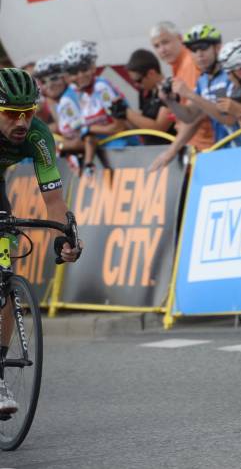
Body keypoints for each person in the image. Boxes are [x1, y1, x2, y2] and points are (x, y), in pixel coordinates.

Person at [0, 68, 82, 413]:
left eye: (28, 112)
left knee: (2, 272)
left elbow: (53, 201)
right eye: (11, 114)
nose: (21, 121)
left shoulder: (37, 136)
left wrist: (65, 235)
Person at [59, 40, 131, 173]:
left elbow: (120, 127)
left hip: (124, 149)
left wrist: (88, 129)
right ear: (67, 75)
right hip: (101, 157)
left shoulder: (101, 87)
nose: (80, 75)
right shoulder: (72, 97)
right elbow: (78, 138)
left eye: (84, 68)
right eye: (74, 71)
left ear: (92, 67)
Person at [149, 21, 212, 151]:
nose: (162, 50)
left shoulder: (189, 63)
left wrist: (172, 150)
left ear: (180, 39)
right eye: (157, 46)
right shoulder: (179, 65)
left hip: (205, 144)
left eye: (165, 42)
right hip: (198, 143)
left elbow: (196, 114)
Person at [121, 49, 176, 144]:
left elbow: (160, 128)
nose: (136, 85)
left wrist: (126, 112)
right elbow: (142, 125)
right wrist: (122, 116)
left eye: (138, 80)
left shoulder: (169, 89)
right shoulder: (146, 92)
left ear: (151, 73)